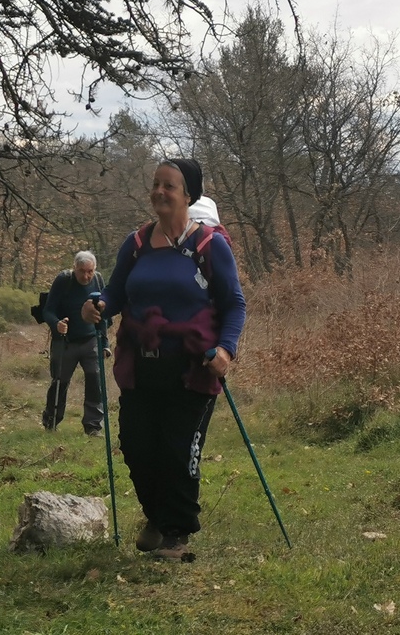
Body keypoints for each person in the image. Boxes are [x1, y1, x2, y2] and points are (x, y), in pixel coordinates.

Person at [82, 158, 246, 560]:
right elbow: (115, 294)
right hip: (141, 364)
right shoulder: (136, 243)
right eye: (155, 184)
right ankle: (155, 516)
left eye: (169, 186)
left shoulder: (209, 245)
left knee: (177, 449)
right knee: (137, 447)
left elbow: (234, 304)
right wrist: (97, 306)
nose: (159, 192)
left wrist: (226, 349)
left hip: (193, 367)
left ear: (189, 195)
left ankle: (176, 533)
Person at [40, 251, 106, 436]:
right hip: (65, 342)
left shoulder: (98, 280)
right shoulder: (64, 280)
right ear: (74, 268)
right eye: (82, 271)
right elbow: (48, 310)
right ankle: (51, 421)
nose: (86, 276)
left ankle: (93, 427)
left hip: (90, 340)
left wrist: (105, 343)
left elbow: (102, 315)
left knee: (95, 380)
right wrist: (57, 324)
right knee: (60, 382)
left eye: (90, 271)